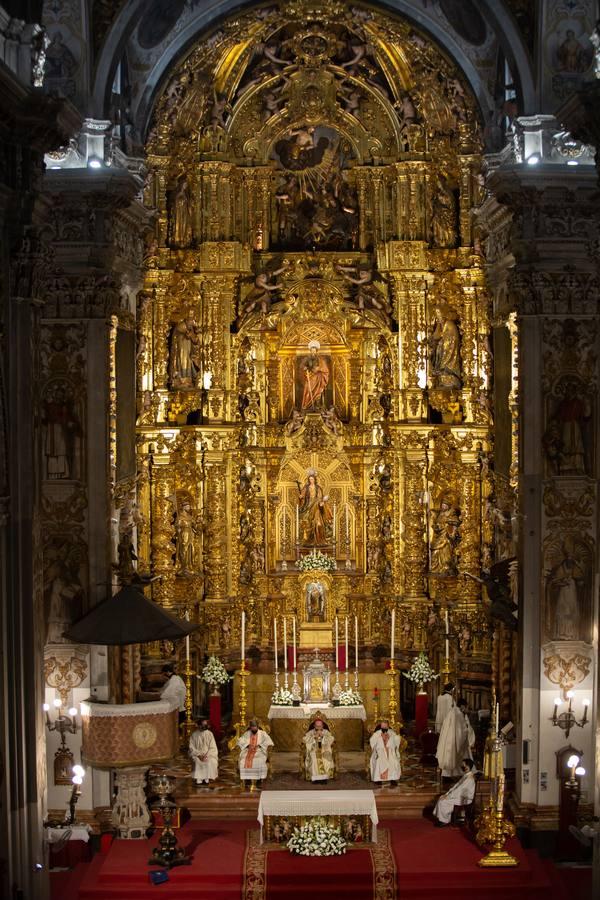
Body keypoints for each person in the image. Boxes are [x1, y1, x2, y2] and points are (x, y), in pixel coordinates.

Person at [436, 698, 475, 777]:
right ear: (463, 706)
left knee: (450, 756)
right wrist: (467, 730)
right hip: (455, 741)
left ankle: (447, 773)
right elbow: (461, 731)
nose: (467, 709)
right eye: (467, 707)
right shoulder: (459, 715)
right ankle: (456, 772)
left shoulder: (451, 711)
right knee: (457, 756)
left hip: (448, 740)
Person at [433, 759, 477, 826]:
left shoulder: (469, 778)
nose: (462, 766)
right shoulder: (466, 775)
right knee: (441, 798)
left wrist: (448, 796)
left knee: (444, 801)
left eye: (463, 765)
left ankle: (444, 821)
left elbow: (459, 790)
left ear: (467, 766)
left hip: (465, 798)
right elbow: (456, 786)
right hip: (460, 795)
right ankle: (441, 818)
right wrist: (447, 794)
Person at [238, 719, 273, 788]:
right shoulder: (247, 733)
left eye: (255, 727)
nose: (254, 728)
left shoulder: (263, 733)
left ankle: (259, 779)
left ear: (257, 727)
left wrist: (260, 745)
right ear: (250, 727)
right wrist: (247, 745)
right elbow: (240, 741)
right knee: (243, 761)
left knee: (259, 760)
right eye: (252, 727)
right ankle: (247, 778)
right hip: (248, 750)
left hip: (259, 751)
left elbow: (269, 742)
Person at [302, 718, 335, 782]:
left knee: (326, 759)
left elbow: (331, 739)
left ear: (323, 726)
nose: (319, 727)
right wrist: (314, 737)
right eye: (317, 726)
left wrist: (323, 737)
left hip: (324, 749)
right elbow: (304, 739)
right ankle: (316, 779)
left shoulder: (326, 732)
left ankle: (324, 778)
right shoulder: (311, 732)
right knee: (314, 759)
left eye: (320, 726)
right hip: (313, 749)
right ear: (314, 726)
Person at [369, 719, 402, 784]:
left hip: (390, 751)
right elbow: (372, 741)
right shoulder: (377, 733)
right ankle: (378, 779)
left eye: (385, 727)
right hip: (380, 751)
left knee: (393, 760)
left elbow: (397, 739)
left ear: (388, 726)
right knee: (379, 760)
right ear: (381, 727)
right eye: (383, 727)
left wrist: (388, 740)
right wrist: (381, 739)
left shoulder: (392, 733)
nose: (384, 729)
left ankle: (393, 779)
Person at [189, 719, 218, 785]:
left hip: (208, 754)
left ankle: (206, 779)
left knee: (210, 761)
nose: (204, 727)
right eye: (202, 725)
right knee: (197, 761)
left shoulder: (210, 734)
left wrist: (206, 755)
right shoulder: (194, 734)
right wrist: (199, 755)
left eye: (205, 725)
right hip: (197, 754)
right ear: (198, 725)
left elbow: (213, 747)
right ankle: (199, 779)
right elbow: (191, 748)